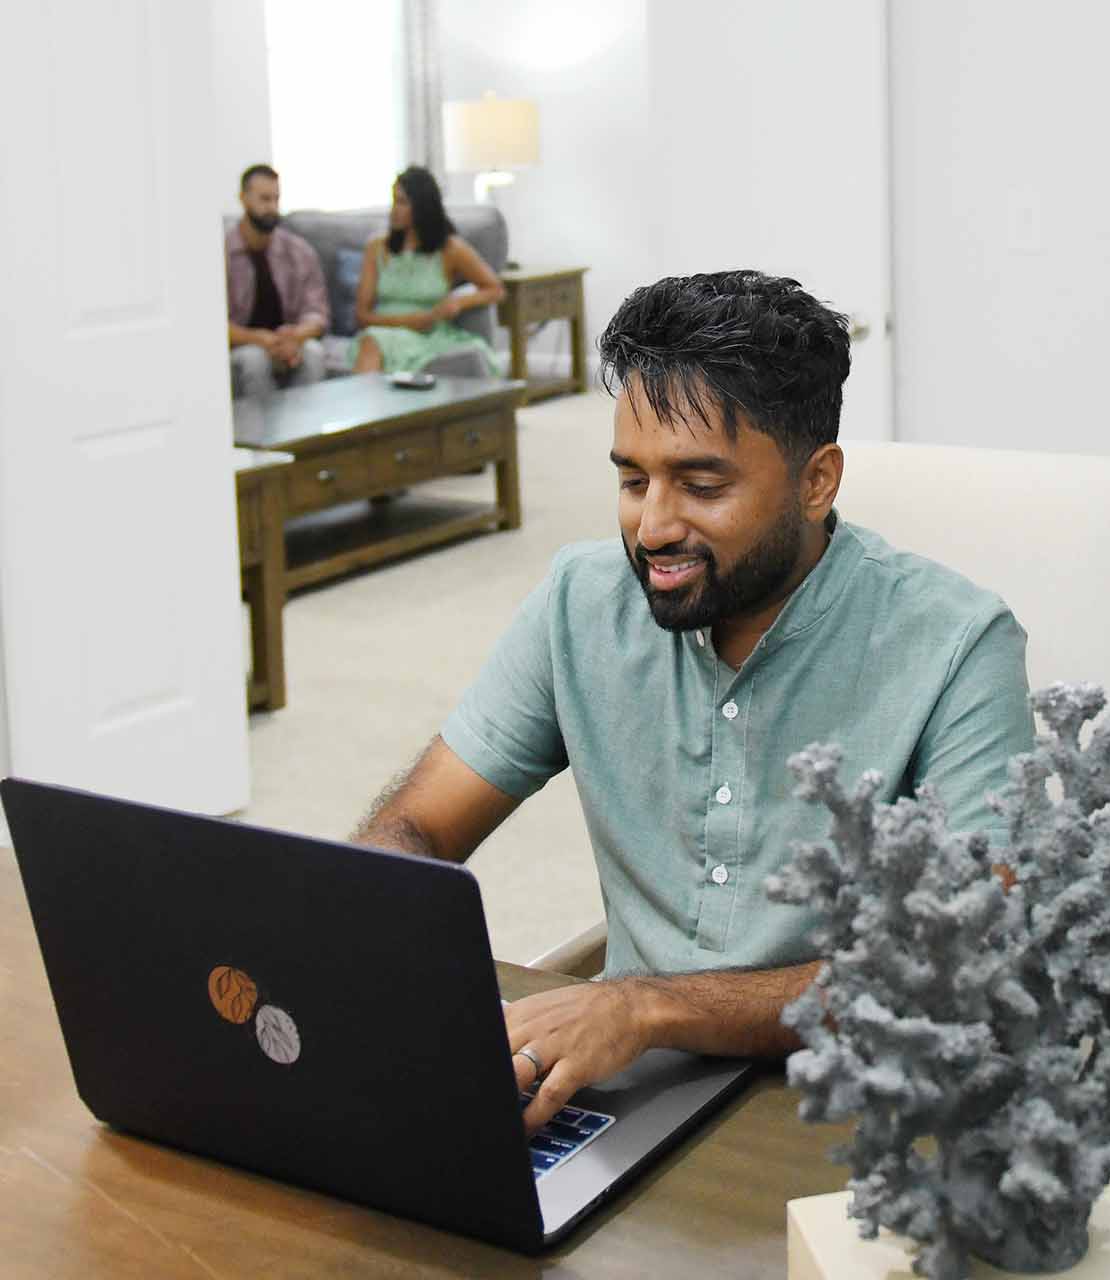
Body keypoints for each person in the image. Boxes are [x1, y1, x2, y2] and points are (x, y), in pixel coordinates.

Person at [352, 270, 1034, 1131]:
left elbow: (967, 963)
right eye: (633, 481)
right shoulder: (581, 600)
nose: (653, 527)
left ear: (817, 481)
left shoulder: (957, 643)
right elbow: (421, 822)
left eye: (701, 486)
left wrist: (647, 1009)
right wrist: (370, 929)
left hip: (877, 1111)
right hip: (626, 1096)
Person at [350, 166, 504, 375]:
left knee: (473, 354)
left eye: (402, 202)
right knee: (372, 341)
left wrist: (457, 302)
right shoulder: (376, 248)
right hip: (383, 332)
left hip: (431, 335)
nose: (394, 210)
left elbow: (495, 289)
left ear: (422, 206)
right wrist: (410, 322)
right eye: (394, 201)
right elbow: (362, 315)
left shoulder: (451, 249)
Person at [225, 163, 330, 400]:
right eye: (264, 199)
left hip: (290, 341)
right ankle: (261, 435)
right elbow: (212, 324)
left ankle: (307, 435)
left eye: (276, 199)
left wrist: (296, 336)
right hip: (245, 344)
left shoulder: (298, 251)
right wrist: (259, 338)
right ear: (243, 198)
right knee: (255, 360)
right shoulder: (221, 255)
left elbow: (318, 312)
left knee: (313, 354)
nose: (272, 207)